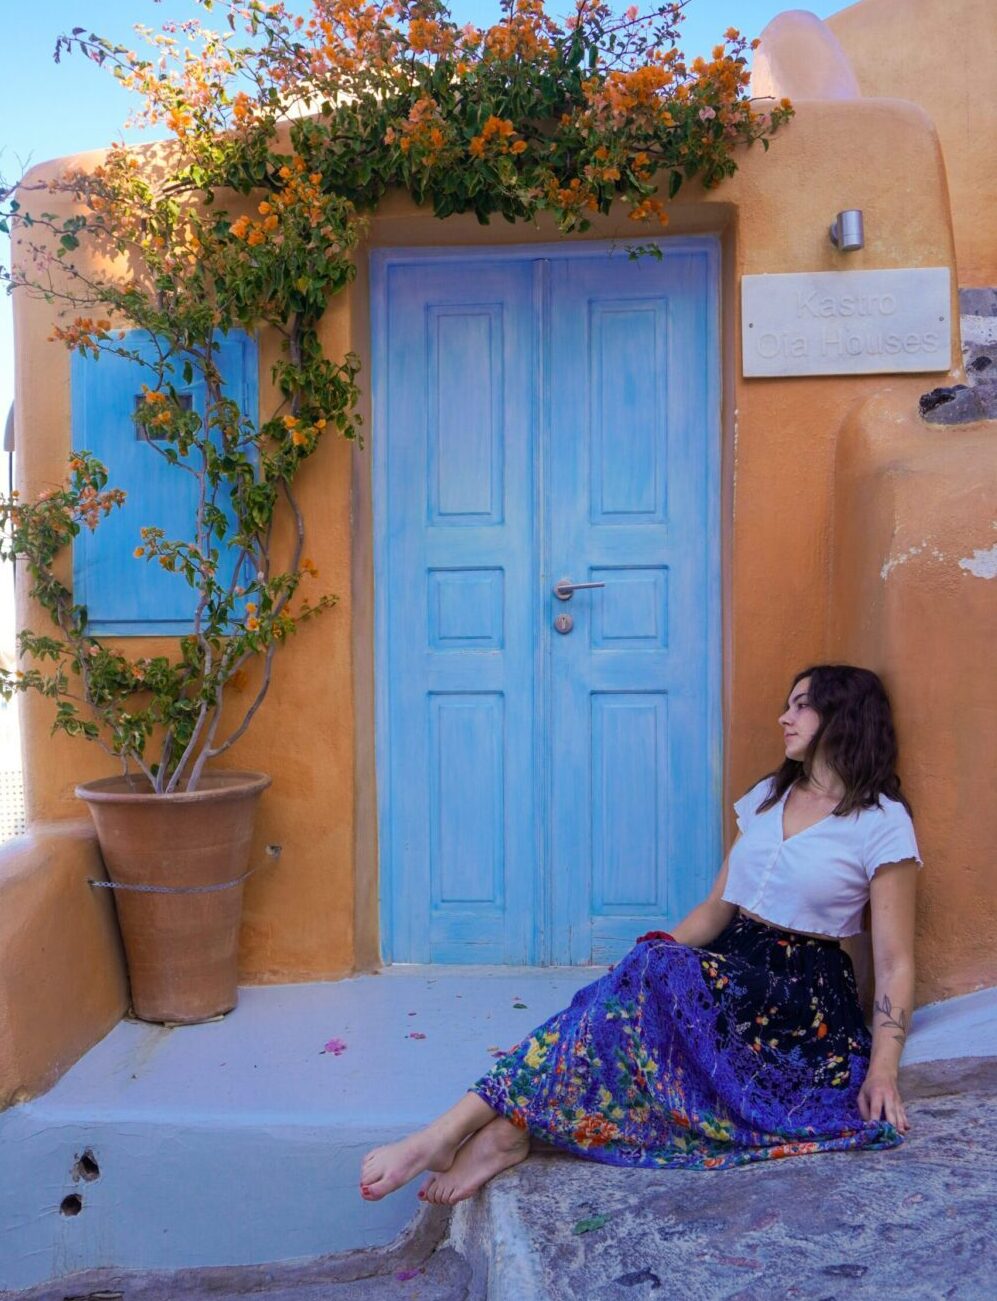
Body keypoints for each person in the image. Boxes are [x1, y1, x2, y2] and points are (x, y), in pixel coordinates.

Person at [360, 664, 921, 1206]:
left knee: (652, 974)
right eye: (787, 704)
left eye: (802, 706)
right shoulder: (768, 798)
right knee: (644, 968)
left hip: (798, 998)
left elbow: (894, 961)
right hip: (730, 963)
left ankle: (457, 1130)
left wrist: (883, 1070)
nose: (784, 717)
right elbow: (715, 908)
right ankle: (494, 1129)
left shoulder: (879, 822)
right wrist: (651, 959)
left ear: (843, 716)